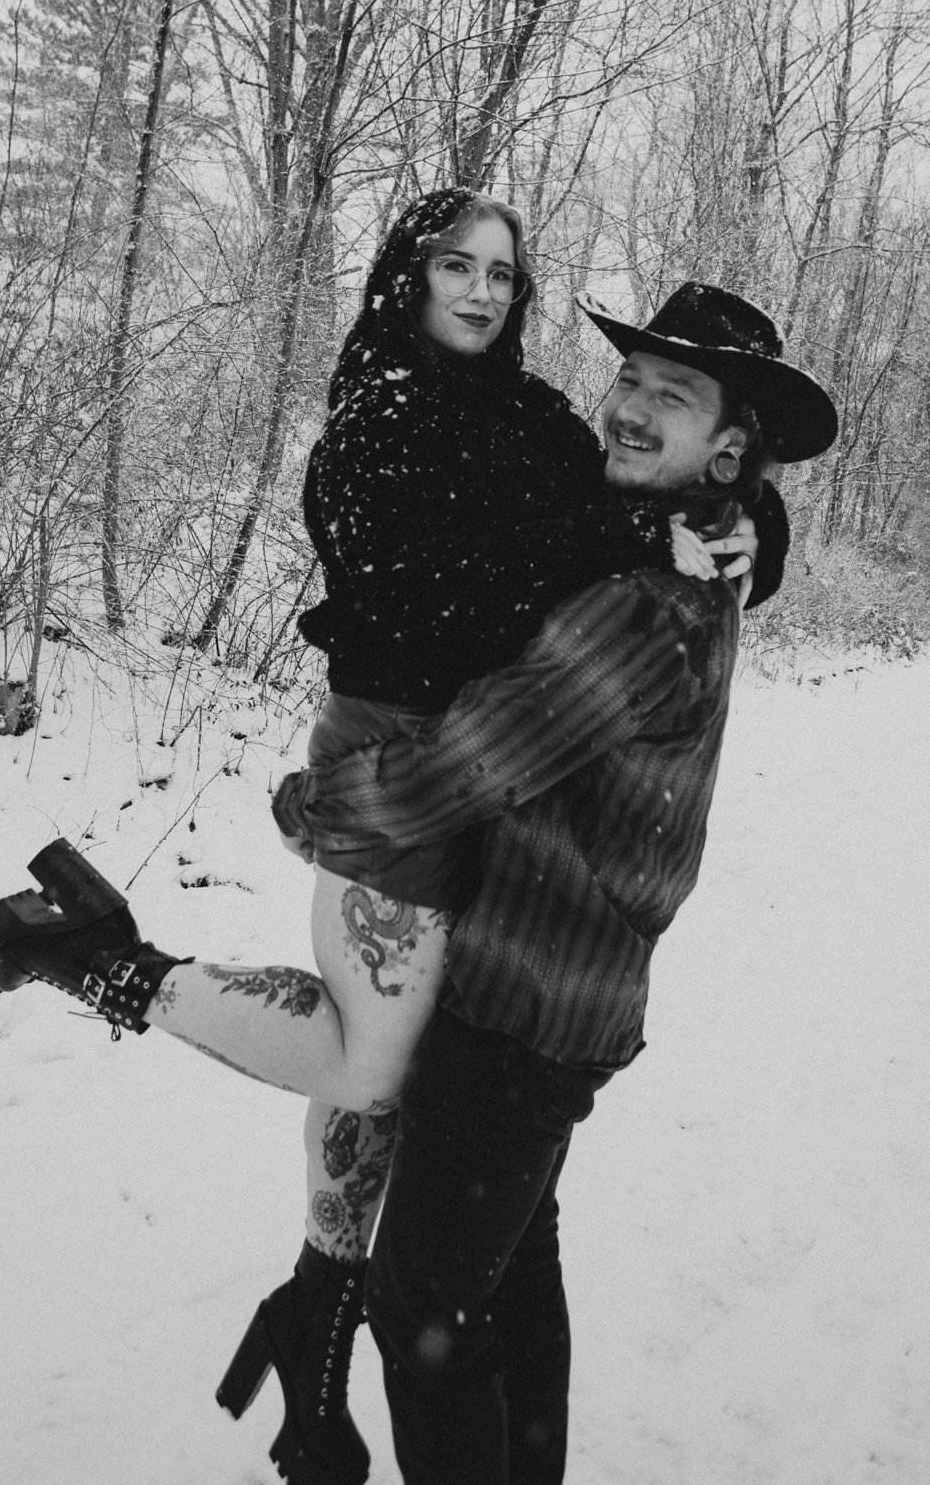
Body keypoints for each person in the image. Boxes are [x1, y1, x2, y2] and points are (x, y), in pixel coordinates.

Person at [0, 194, 788, 1485]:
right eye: (452, 265)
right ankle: (118, 978)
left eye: (502, 273)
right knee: (383, 1081)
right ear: (403, 276)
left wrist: (751, 528)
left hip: (486, 837)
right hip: (399, 773)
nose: (477, 291)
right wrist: (656, 528)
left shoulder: (545, 430)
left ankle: (313, 1321)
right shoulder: (379, 422)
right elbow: (454, 591)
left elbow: (600, 556)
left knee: (439, 1163)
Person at [272, 281, 838, 1484]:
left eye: (669, 395)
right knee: (513, 1272)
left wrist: (319, 805)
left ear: (727, 446)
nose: (628, 407)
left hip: (522, 1012)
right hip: (562, 994)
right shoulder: (674, 542)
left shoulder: (644, 607)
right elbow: (535, 512)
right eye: (628, 379)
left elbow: (473, 761)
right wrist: (758, 527)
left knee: (420, 1311)